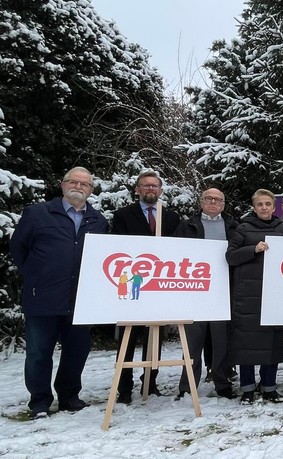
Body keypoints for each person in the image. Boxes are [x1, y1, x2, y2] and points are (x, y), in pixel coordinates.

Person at [10, 167, 109, 418]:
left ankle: (69, 396)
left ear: (91, 190)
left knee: (77, 351)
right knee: (38, 352)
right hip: (42, 296)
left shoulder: (98, 221)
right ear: (63, 185)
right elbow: (18, 248)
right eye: (73, 182)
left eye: (84, 184)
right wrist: (37, 274)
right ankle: (40, 401)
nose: (78, 186)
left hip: (80, 300)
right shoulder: (37, 214)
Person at [111, 170, 181, 404]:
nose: (151, 189)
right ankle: (124, 387)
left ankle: (150, 382)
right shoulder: (123, 215)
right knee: (128, 338)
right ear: (137, 190)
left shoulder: (171, 217)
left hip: (158, 285)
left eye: (154, 186)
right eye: (146, 185)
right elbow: (116, 246)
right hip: (133, 283)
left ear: (160, 190)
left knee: (154, 337)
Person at [226, 189, 283, 404]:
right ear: (254, 207)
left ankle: (269, 387)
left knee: (272, 343)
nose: (264, 207)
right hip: (248, 295)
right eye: (260, 204)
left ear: (274, 207)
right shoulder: (243, 228)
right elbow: (230, 257)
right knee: (246, 344)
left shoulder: (282, 228)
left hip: (274, 295)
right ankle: (247, 388)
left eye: (268, 204)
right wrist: (252, 249)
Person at [173, 188, 239, 401]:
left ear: (223, 204)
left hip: (222, 291)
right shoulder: (187, 226)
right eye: (209, 198)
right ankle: (187, 386)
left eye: (218, 199)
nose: (213, 202)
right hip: (195, 291)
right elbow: (174, 254)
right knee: (192, 343)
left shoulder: (233, 226)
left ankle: (222, 382)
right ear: (201, 202)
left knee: (221, 343)